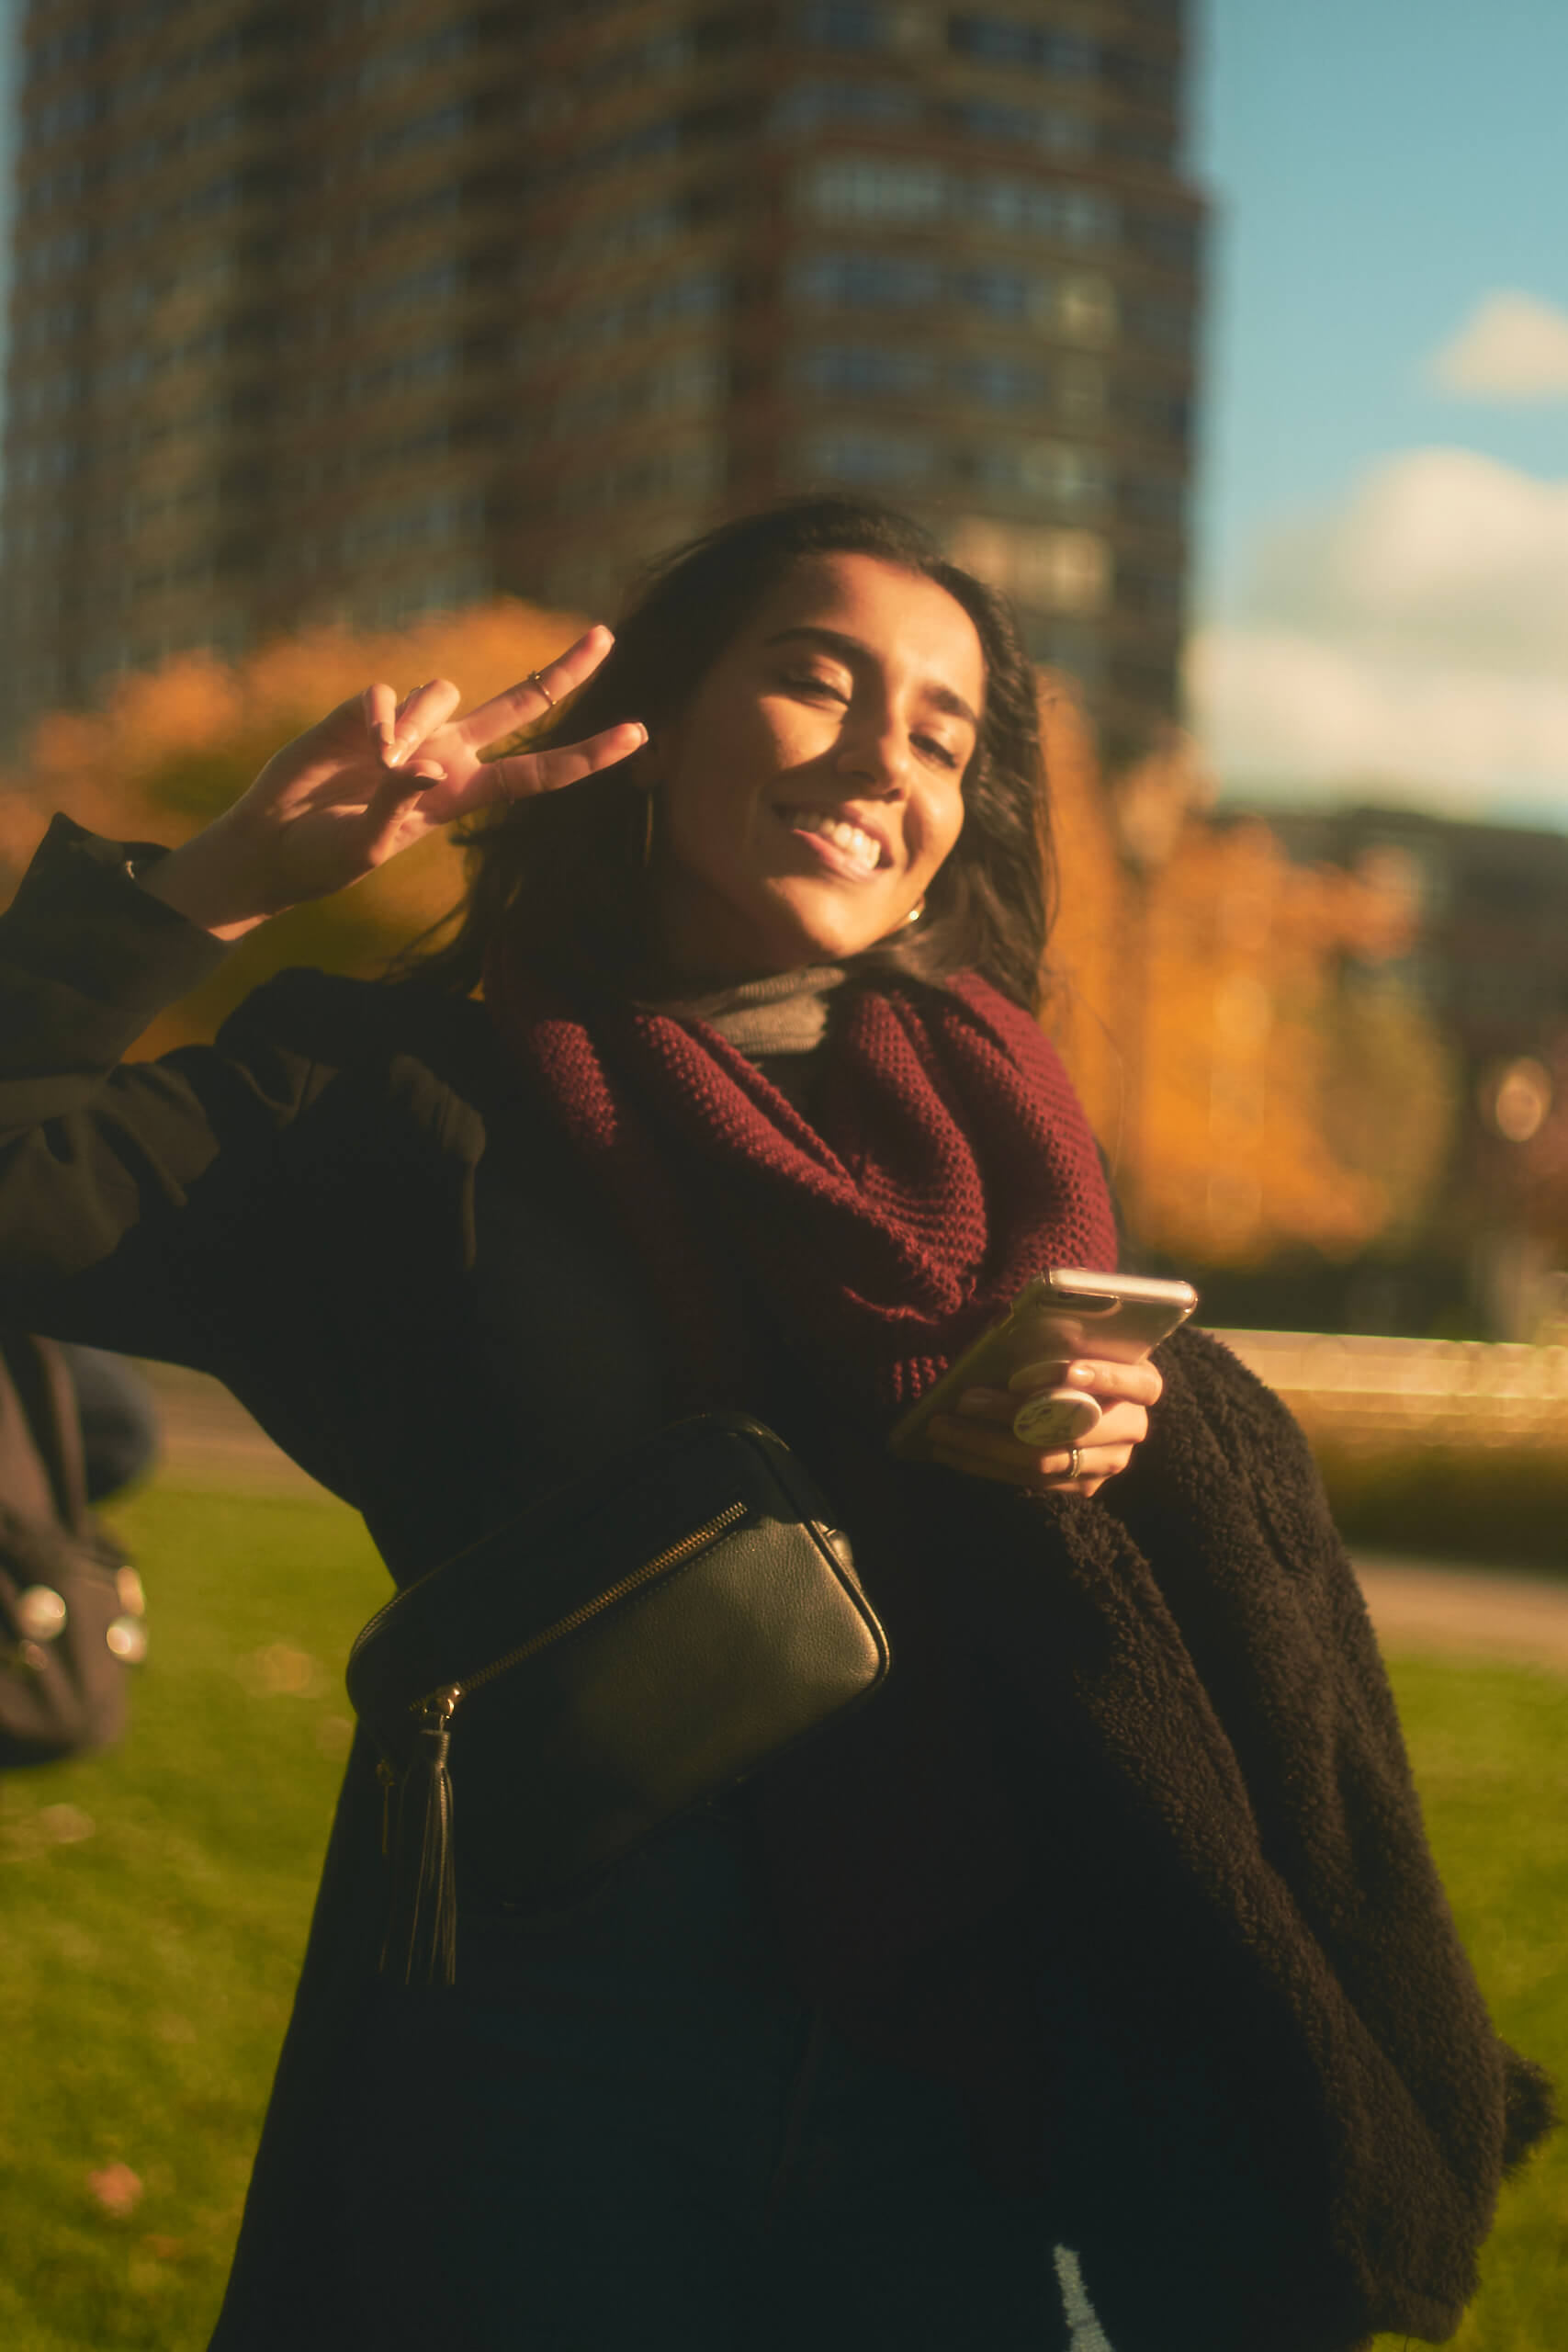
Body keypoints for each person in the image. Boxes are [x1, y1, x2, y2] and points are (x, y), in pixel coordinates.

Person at [0, 498, 1549, 2352]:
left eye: (939, 731)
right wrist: (221, 877)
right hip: (551, 2050)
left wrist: (1101, 1452)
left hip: (964, 2065)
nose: (874, 759)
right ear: (652, 728)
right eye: (814, 678)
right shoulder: (387, 1097)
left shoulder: (997, 1133)